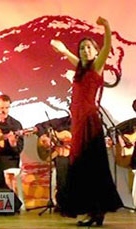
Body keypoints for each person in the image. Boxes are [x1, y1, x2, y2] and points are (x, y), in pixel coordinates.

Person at [50, 16, 123, 226]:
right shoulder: (81, 67)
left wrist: (107, 27)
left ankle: (97, 211)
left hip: (89, 122)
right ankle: (94, 212)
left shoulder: (97, 66)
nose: (85, 51)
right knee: (82, 167)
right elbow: (69, 55)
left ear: (95, 51)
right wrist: (62, 49)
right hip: (79, 122)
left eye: (89, 48)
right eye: (82, 48)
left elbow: (107, 46)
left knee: (92, 166)